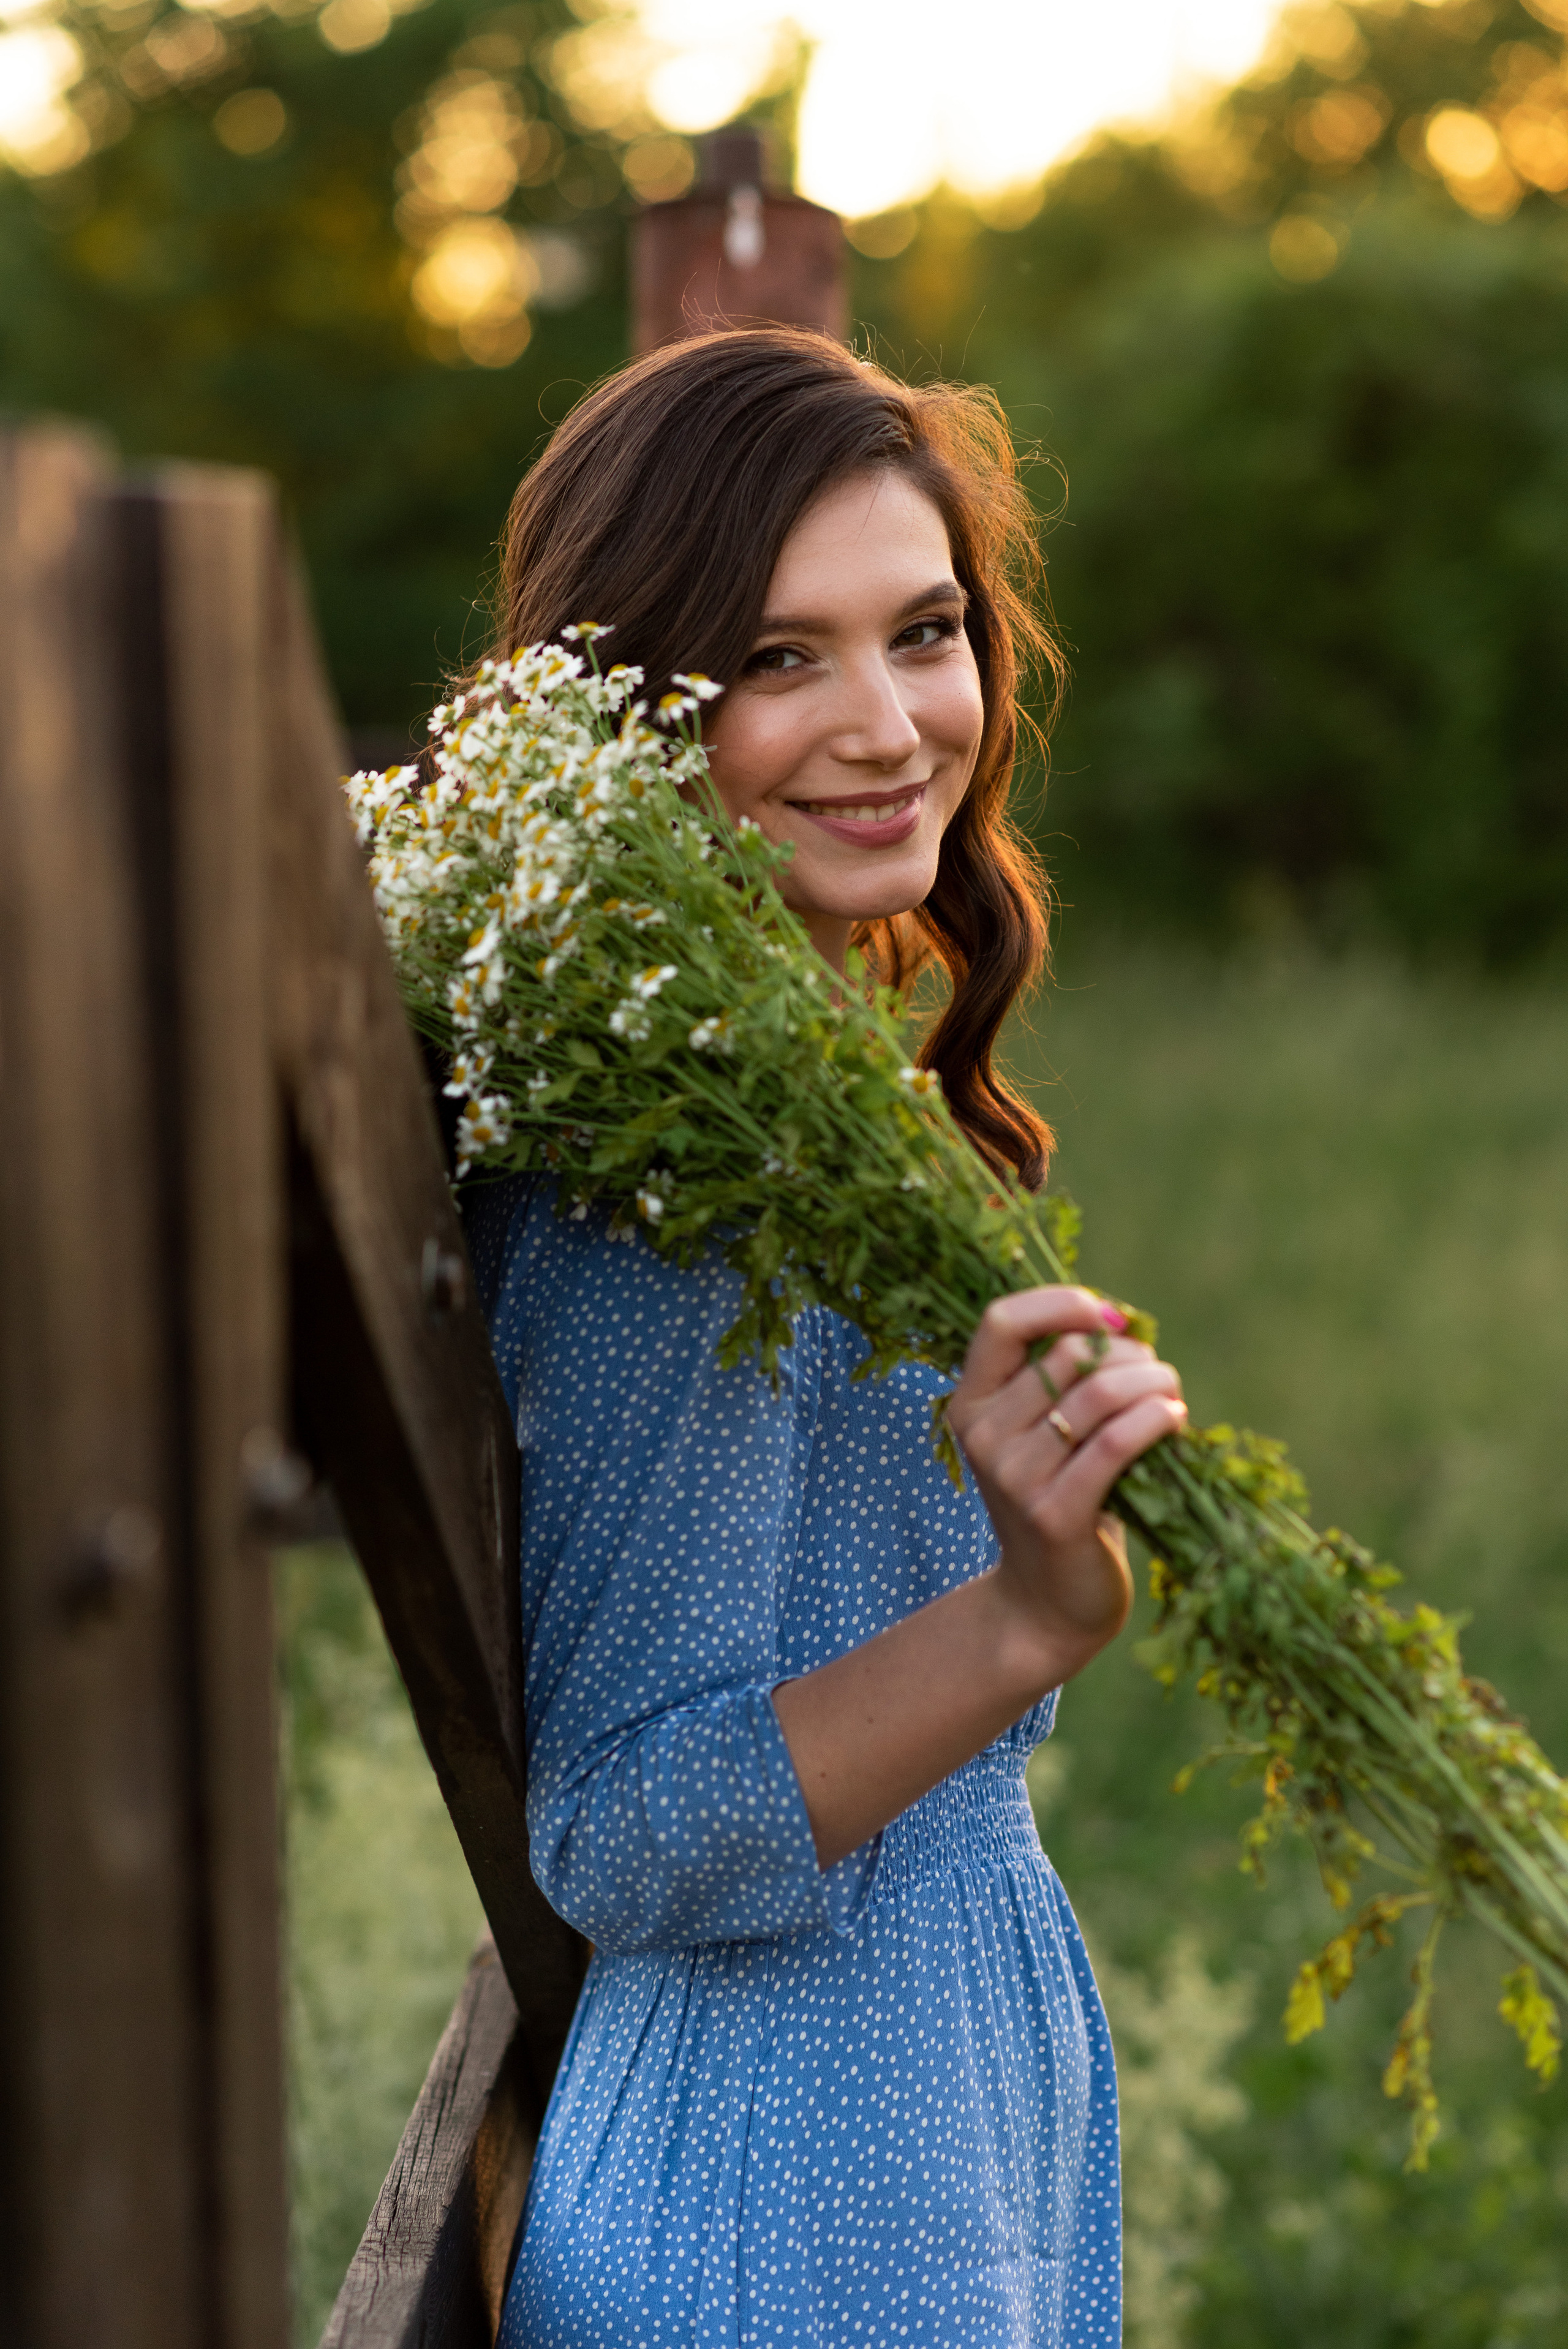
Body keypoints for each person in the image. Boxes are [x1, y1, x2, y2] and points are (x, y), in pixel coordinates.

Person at [465, 328, 1186, 2349]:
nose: (888, 726)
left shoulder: (810, 1089)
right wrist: (1029, 1613)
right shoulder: (658, 1180)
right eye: (779, 659)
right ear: (629, 711)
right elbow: (621, 1824)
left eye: (924, 632)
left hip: (936, 2128)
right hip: (794, 2197)